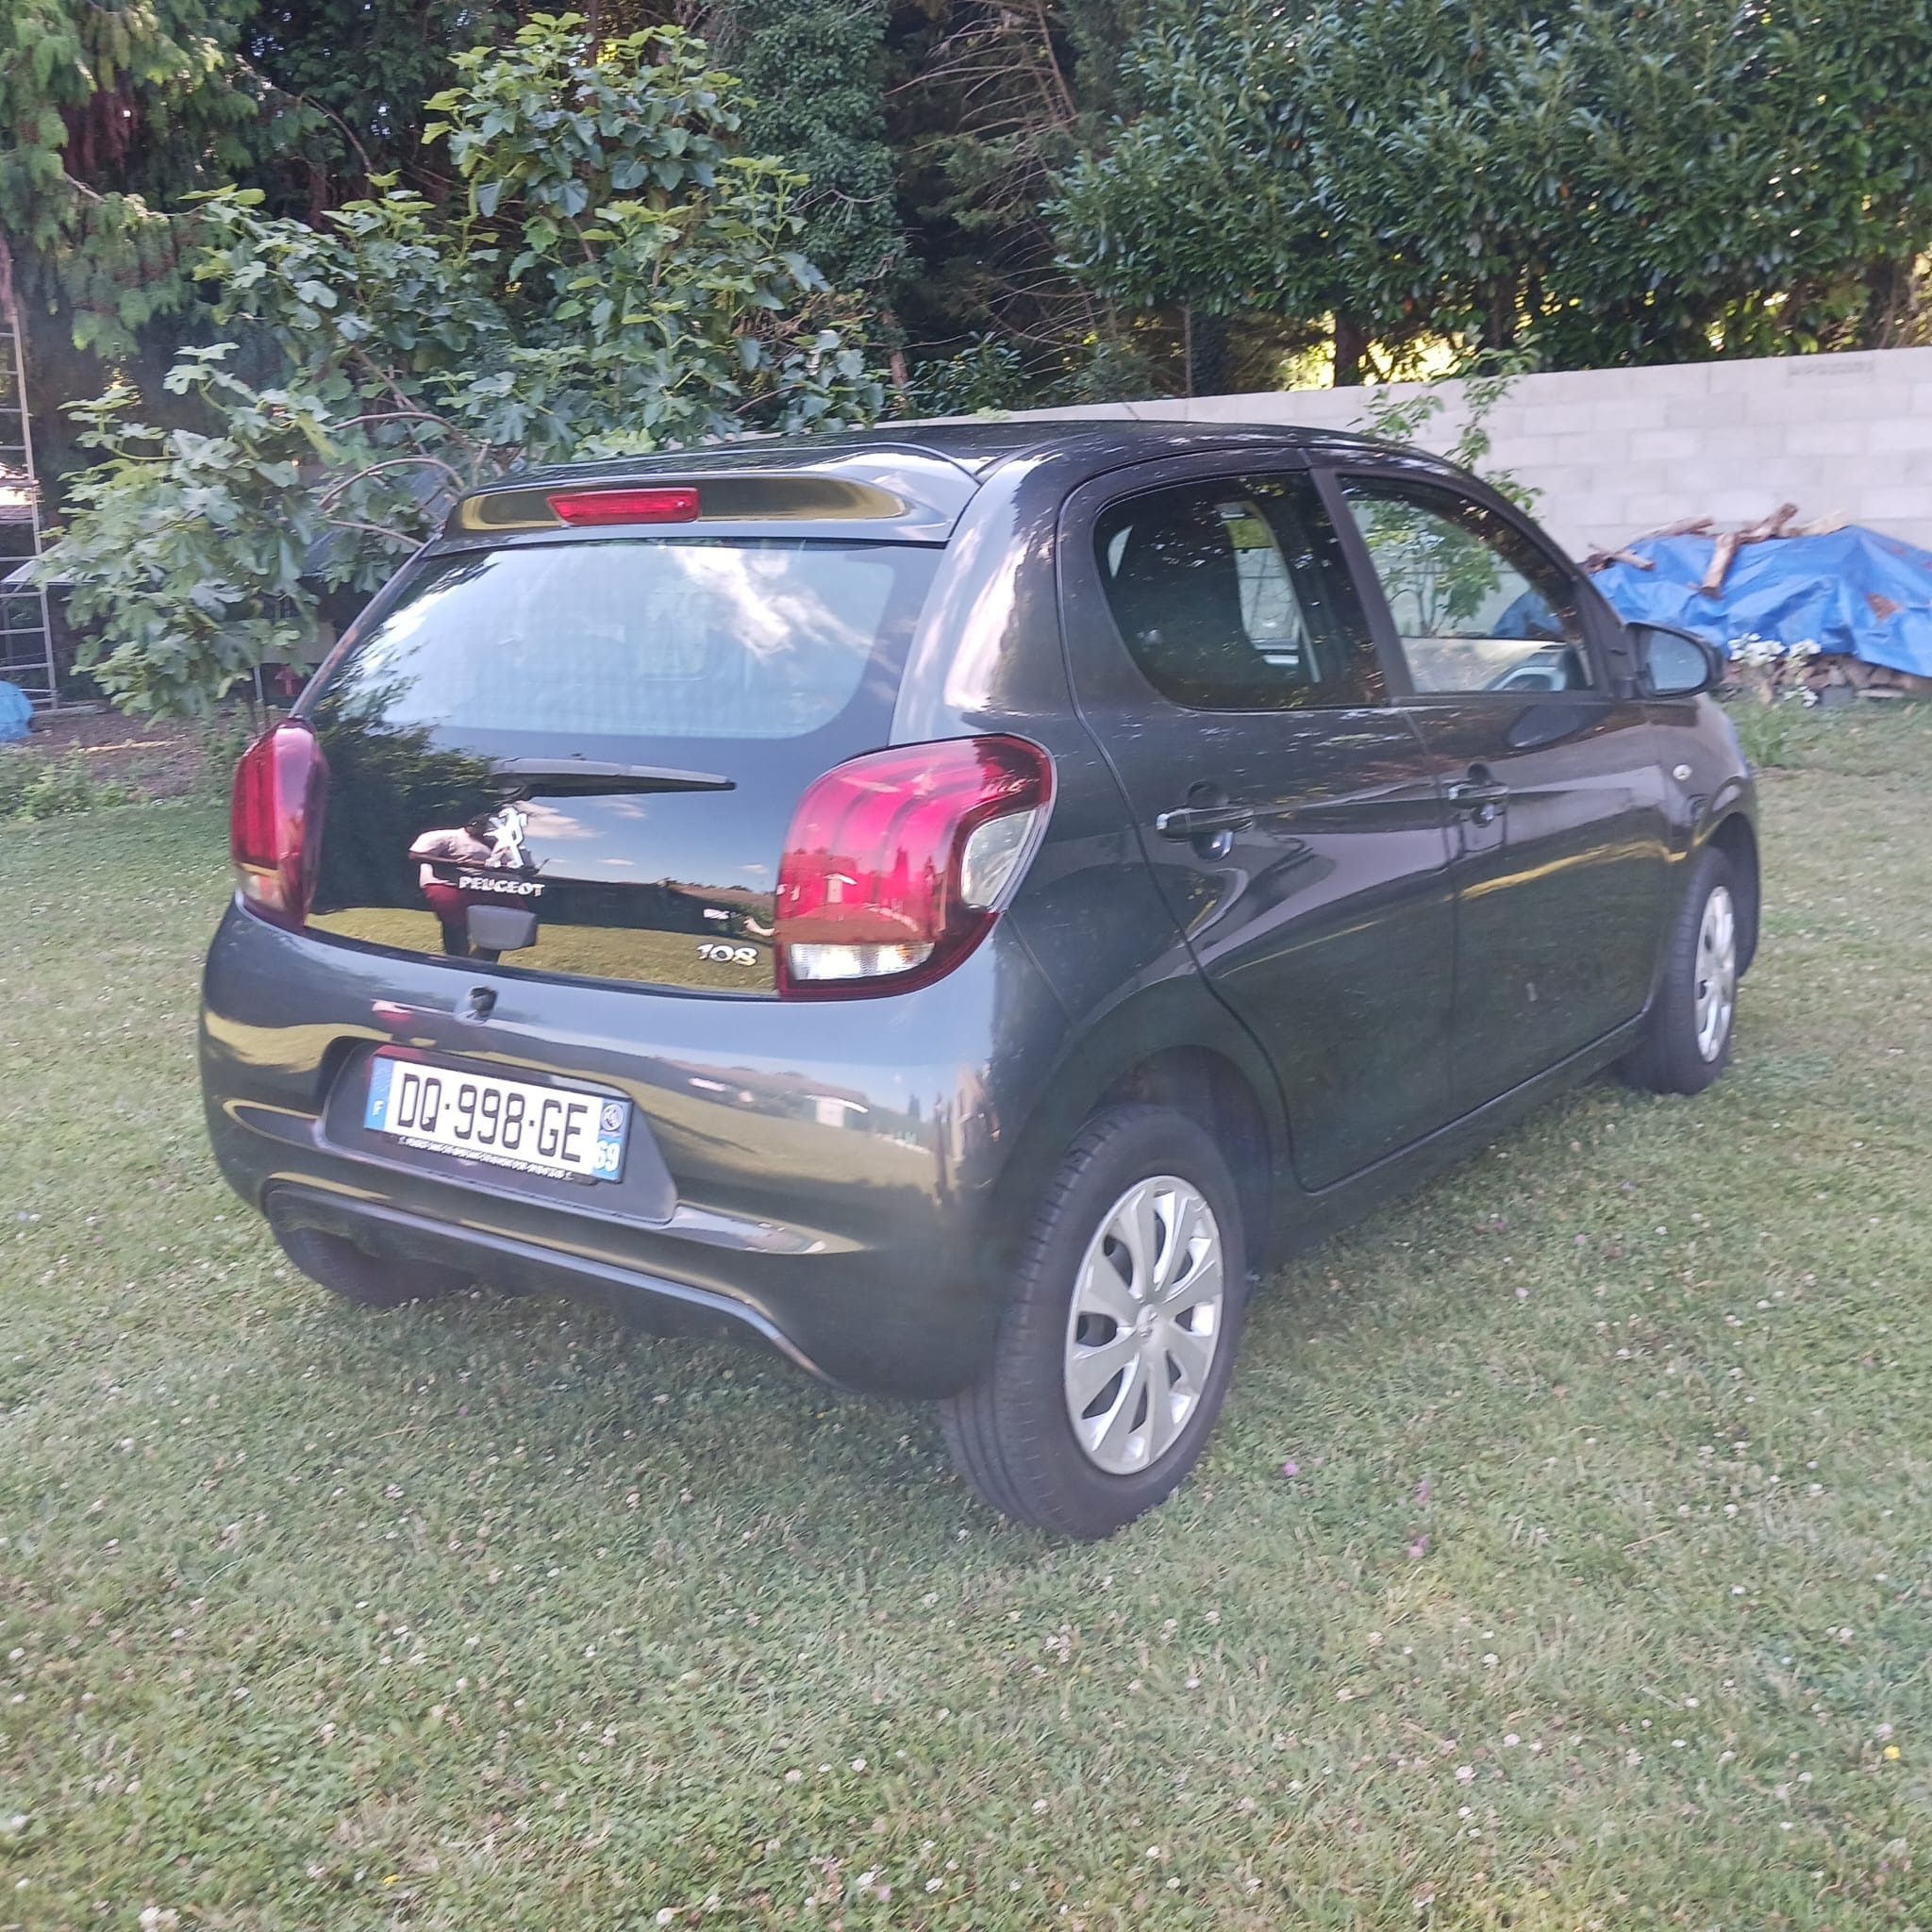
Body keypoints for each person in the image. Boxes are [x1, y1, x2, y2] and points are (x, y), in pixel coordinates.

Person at [410, 813, 498, 957]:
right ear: (475, 825)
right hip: (445, 884)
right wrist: (459, 863)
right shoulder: (445, 836)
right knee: (456, 926)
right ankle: (457, 960)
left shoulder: (490, 844)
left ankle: (478, 962)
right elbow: (416, 855)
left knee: (504, 929)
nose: (489, 834)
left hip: (481, 887)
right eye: (487, 829)